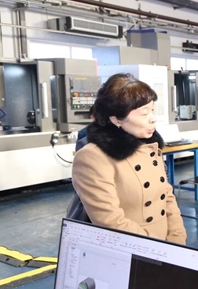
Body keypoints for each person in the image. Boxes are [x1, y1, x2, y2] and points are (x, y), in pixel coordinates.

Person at [72, 73, 187, 244]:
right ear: (116, 119)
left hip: (165, 244)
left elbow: (167, 196)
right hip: (130, 248)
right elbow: (110, 220)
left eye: (153, 110)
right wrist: (157, 249)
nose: (153, 119)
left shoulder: (149, 147)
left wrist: (177, 238)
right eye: (144, 114)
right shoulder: (92, 157)